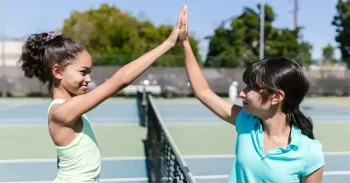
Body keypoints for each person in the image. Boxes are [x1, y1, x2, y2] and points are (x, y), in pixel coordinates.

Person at [18, 5, 187, 182]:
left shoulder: (66, 110)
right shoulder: (62, 112)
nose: (89, 79)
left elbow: (62, 159)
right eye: (83, 72)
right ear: (58, 72)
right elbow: (119, 80)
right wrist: (168, 43)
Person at [178, 8, 324, 183]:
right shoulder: (246, 122)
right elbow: (203, 92)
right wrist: (185, 42)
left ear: (276, 97)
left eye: (251, 88)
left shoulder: (309, 152)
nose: (242, 93)